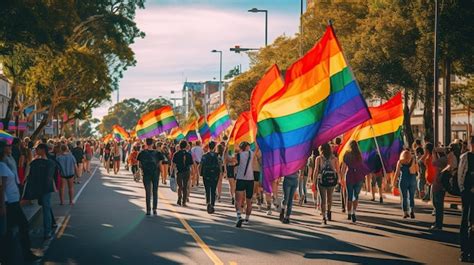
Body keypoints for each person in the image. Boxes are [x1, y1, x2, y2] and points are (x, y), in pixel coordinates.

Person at [0, 141, 40, 263]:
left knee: (10, 230)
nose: (11, 147)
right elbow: (1, 188)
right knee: (21, 226)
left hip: (13, 201)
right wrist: (2, 206)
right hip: (9, 203)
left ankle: (9, 256)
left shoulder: (8, 160)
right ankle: (22, 255)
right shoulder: (1, 166)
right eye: (8, 146)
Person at [27, 143, 58, 239]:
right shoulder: (49, 162)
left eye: (37, 149)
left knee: (46, 208)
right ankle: (50, 226)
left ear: (43, 150)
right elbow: (51, 177)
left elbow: (31, 175)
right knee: (46, 207)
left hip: (42, 189)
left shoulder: (37, 163)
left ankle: (47, 231)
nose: (36, 150)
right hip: (45, 188)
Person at [342, 140, 369, 223]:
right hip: (358, 177)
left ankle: (349, 213)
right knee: (355, 196)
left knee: (349, 196)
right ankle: (354, 212)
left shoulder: (346, 154)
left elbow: (343, 167)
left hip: (349, 176)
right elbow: (361, 165)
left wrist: (342, 177)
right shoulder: (359, 155)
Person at [314, 143, 340, 224]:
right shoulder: (334, 159)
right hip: (331, 180)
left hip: (321, 180)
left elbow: (316, 171)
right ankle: (329, 212)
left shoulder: (319, 158)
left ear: (321, 149)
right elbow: (337, 171)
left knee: (323, 199)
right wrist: (338, 180)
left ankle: (324, 216)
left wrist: (314, 182)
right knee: (330, 197)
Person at [457, 136, 474, 262]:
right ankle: (464, 251)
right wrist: (465, 190)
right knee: (465, 221)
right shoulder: (465, 157)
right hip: (468, 195)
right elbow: (460, 177)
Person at [137, 138, 163, 216]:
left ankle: (148, 210)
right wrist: (161, 173)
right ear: (153, 143)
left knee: (148, 192)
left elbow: (139, 164)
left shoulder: (142, 153)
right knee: (155, 191)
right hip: (155, 174)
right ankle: (154, 209)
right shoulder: (158, 153)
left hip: (146, 174)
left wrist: (141, 171)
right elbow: (160, 164)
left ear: (145, 143)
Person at [393, 150, 419, 218]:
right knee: (411, 197)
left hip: (403, 180)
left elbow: (397, 172)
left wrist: (394, 182)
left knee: (404, 197)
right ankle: (412, 211)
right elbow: (417, 170)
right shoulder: (413, 160)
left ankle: (405, 212)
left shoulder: (400, 161)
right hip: (412, 179)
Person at [234, 141, 254, 228]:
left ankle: (238, 216)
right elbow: (258, 147)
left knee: (238, 199)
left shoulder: (238, 155)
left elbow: (229, 161)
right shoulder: (252, 154)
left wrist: (226, 151)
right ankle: (247, 218)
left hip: (240, 179)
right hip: (250, 179)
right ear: (247, 147)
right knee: (249, 201)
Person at [200, 141, 221, 214]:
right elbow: (220, 165)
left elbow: (201, 165)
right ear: (214, 147)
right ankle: (212, 204)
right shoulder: (217, 155)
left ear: (208, 147)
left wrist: (200, 173)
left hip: (206, 174)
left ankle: (208, 202)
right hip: (215, 175)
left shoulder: (204, 155)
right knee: (213, 190)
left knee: (207, 189)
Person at [172, 140, 193, 207]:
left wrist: (172, 171)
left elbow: (173, 164)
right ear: (186, 146)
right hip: (186, 171)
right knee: (185, 186)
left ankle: (179, 199)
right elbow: (191, 164)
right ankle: (184, 201)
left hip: (179, 171)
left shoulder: (176, 154)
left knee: (180, 186)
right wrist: (192, 172)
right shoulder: (189, 154)